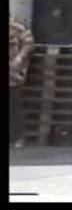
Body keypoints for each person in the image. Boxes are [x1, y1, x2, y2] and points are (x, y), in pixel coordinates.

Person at [9, 14, 35, 147]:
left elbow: (29, 44)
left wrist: (19, 59)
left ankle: (17, 137)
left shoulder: (16, 25)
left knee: (13, 103)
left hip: (12, 71)